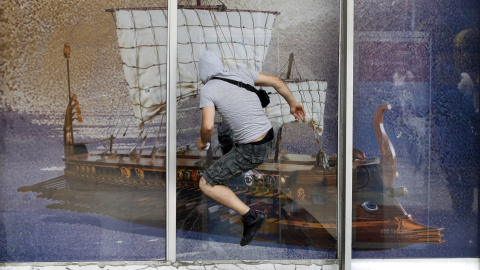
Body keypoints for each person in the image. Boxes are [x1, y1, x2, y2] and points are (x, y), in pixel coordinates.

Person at [195, 50, 306, 246]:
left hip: (252, 150)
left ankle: (252, 216)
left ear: (202, 73)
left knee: (206, 183)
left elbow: (207, 126)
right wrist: (293, 103)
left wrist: (202, 143)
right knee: (226, 129)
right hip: (268, 137)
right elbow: (278, 81)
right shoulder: (241, 73)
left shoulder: (208, 89)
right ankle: (231, 165)